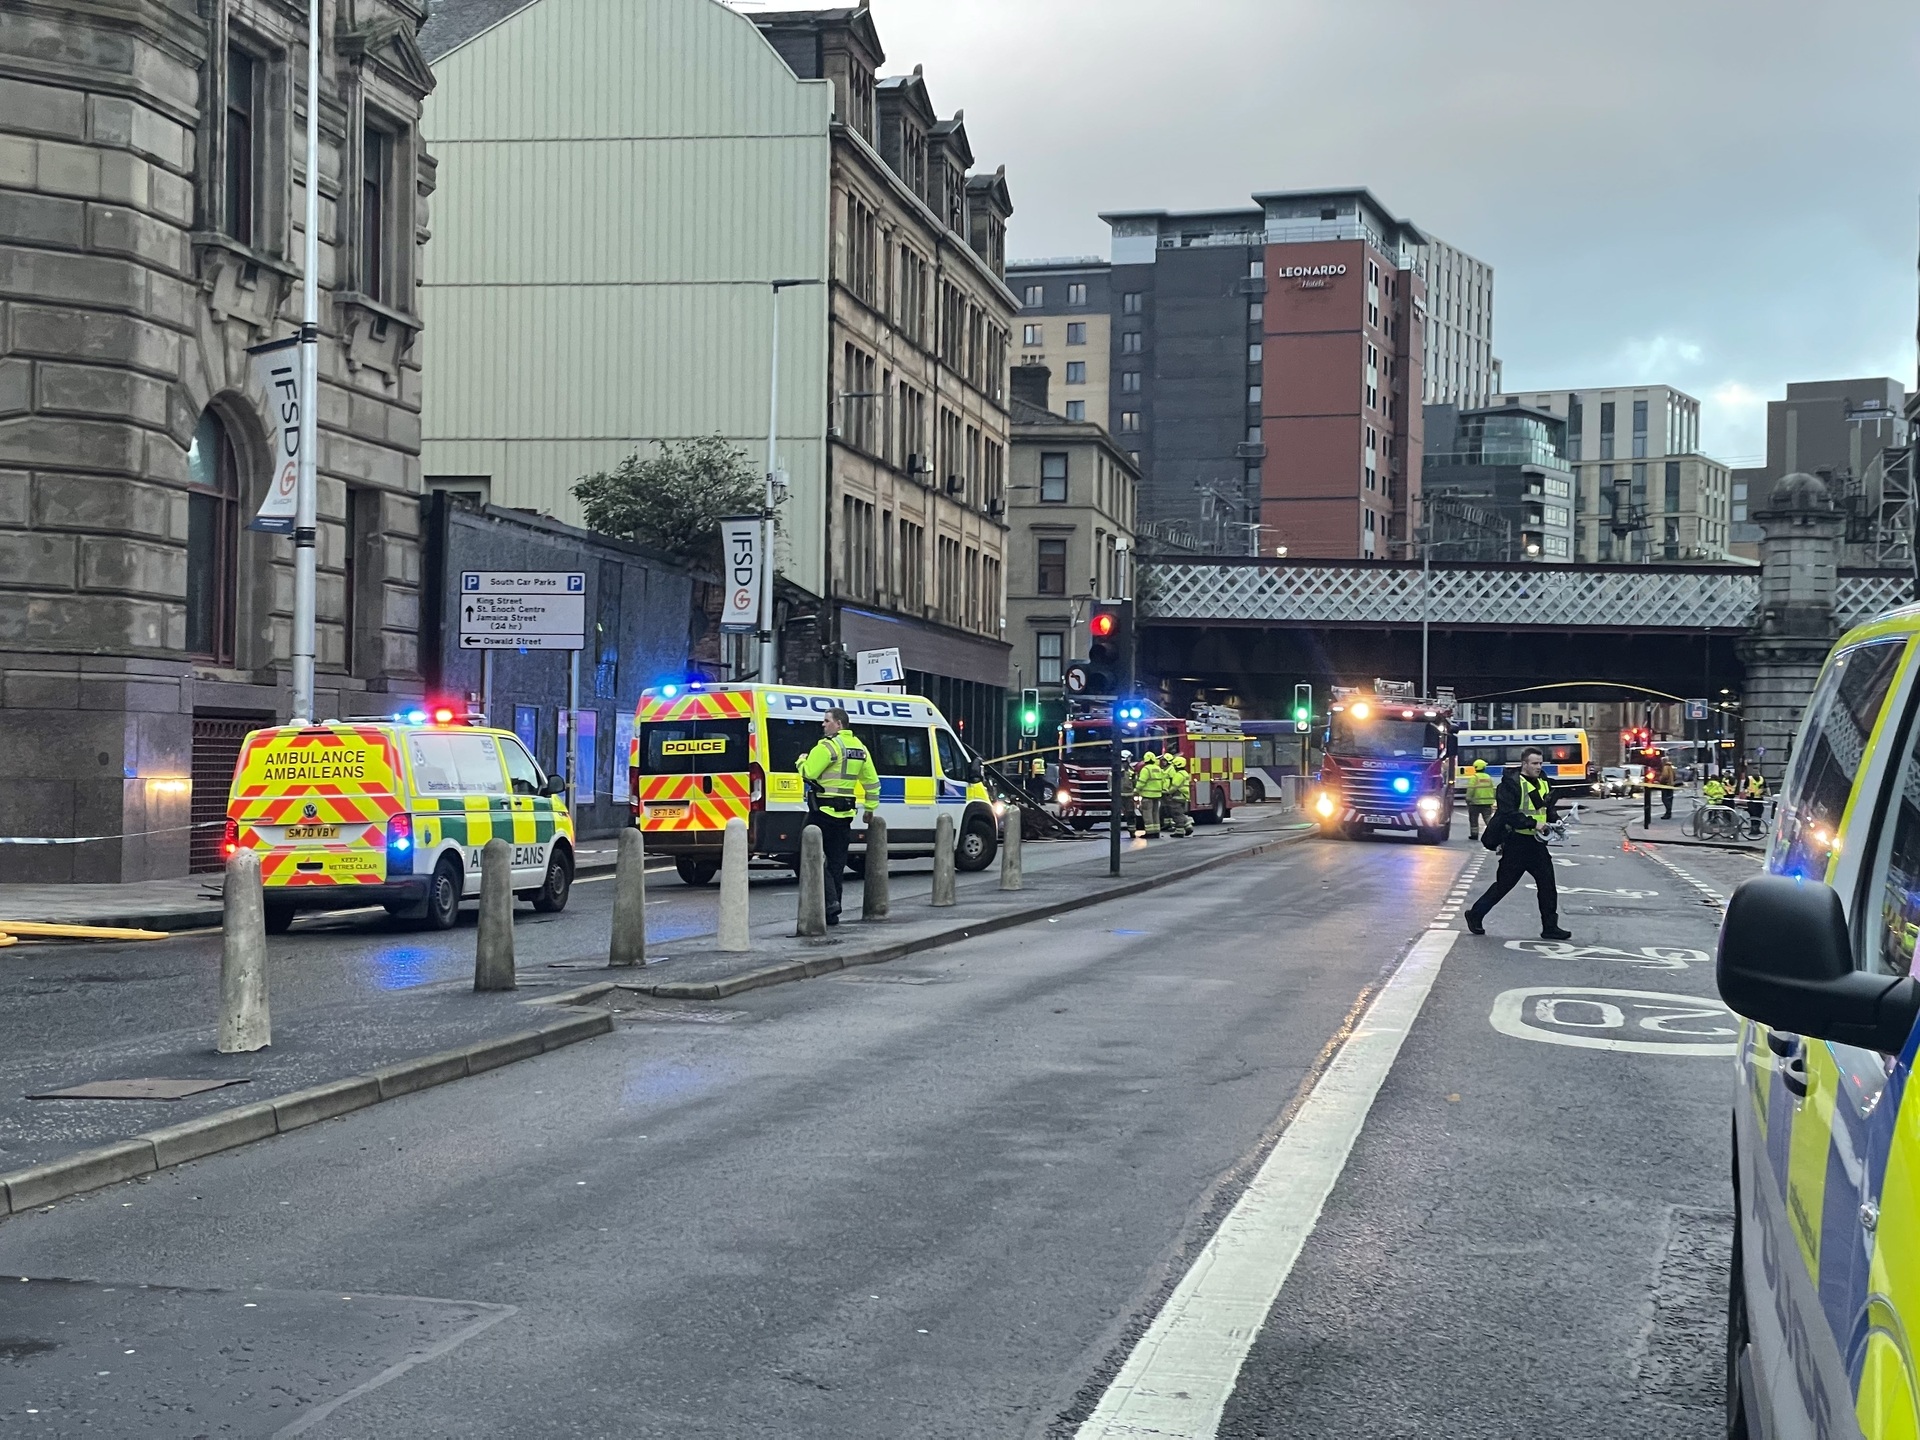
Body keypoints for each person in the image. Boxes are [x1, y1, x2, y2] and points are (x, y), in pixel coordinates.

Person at [1464, 746, 1571, 941]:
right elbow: (1508, 813)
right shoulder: (1511, 784)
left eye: (1540, 763)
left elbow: (1545, 808)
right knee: (1504, 885)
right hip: (1516, 843)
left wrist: (1556, 823)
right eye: (1534, 763)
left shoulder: (1543, 782)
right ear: (1524, 764)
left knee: (1547, 884)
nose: (1538, 767)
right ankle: (1475, 914)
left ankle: (1550, 927)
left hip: (1537, 844)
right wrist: (1533, 823)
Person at [798, 707, 879, 926]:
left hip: (821, 812)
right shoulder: (860, 749)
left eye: (827, 721)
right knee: (836, 862)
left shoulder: (827, 747)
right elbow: (871, 781)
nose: (823, 725)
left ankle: (830, 902)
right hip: (844, 815)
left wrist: (801, 761)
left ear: (839, 724)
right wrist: (870, 808)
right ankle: (832, 912)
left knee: (805, 855)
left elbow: (809, 773)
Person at [1133, 751, 1166, 838]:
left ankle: (1150, 832)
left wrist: (1136, 790)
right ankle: (1156, 831)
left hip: (1147, 795)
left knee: (1147, 813)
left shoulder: (1146, 769)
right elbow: (1164, 781)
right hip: (1157, 795)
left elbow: (1142, 782)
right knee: (1155, 813)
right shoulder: (1158, 769)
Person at [1464, 759, 1497, 840]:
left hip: (1475, 803)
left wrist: (1468, 799)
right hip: (1487, 803)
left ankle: (1474, 835)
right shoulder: (1488, 777)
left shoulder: (1474, 778)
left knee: (1473, 819)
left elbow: (1470, 789)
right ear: (1484, 768)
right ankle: (1493, 834)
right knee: (1488, 819)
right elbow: (1493, 789)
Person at [1162, 752, 1194, 836]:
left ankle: (1179, 831)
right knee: (1180, 813)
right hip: (1183, 797)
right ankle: (1188, 826)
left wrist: (1168, 792)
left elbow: (1174, 787)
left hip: (1177, 796)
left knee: (1176, 814)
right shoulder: (1184, 773)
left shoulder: (1178, 775)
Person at [1743, 770, 1768, 837]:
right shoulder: (1749, 779)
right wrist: (1748, 792)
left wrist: (1766, 793)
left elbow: (1765, 787)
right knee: (1753, 814)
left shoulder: (1762, 779)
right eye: (1755, 773)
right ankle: (1753, 829)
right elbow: (1744, 788)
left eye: (1757, 773)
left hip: (1759, 799)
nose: (1756, 774)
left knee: (1759, 814)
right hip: (1751, 799)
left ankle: (1757, 829)